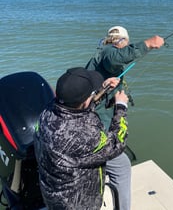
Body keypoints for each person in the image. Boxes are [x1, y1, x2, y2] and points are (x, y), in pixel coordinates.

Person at [85, 26, 164, 210]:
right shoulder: (108, 52)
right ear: (119, 41)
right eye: (125, 43)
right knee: (121, 165)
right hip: (96, 127)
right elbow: (118, 57)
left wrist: (109, 94)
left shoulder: (101, 57)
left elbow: (95, 93)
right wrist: (149, 44)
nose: (126, 46)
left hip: (94, 113)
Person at [34, 67, 129, 210]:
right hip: (78, 204)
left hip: (52, 193)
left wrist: (103, 90)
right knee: (122, 164)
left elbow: (80, 108)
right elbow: (117, 143)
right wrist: (121, 106)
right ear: (84, 101)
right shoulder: (85, 134)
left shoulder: (48, 111)